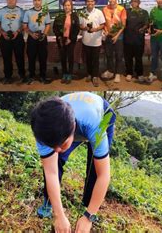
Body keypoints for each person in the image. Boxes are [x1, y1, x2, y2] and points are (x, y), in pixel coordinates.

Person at [31, 92, 116, 233]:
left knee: (95, 169)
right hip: (67, 121)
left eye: (62, 144)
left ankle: (88, 208)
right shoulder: (43, 130)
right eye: (53, 146)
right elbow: (51, 172)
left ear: (73, 128)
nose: (57, 150)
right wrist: (59, 215)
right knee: (56, 163)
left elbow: (104, 175)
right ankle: (48, 203)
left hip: (102, 113)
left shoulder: (97, 125)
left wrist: (89, 216)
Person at [0, 0, 26, 84]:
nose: (11, 1)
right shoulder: (1, 11)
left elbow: (24, 24)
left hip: (18, 37)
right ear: (6, 0)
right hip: (5, 37)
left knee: (20, 57)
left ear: (16, 0)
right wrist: (3, 33)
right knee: (6, 58)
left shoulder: (21, 11)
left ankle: (22, 75)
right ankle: (8, 76)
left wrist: (18, 31)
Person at [23, 0, 52, 85]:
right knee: (31, 58)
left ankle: (42, 76)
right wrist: (31, 34)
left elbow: (48, 25)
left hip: (42, 38)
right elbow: (24, 26)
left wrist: (44, 34)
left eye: (38, 0)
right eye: (35, 0)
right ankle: (31, 76)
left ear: (41, 1)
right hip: (32, 38)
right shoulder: (28, 12)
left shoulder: (45, 12)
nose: (37, 2)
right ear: (33, 1)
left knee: (43, 58)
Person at [80, 0, 105, 87]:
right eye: (88, 1)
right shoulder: (82, 13)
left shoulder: (99, 12)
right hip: (86, 41)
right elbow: (80, 25)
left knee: (95, 60)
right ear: (86, 3)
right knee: (88, 59)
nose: (90, 3)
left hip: (96, 41)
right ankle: (89, 74)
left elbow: (103, 24)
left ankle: (95, 76)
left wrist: (96, 29)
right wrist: (85, 28)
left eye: (92, 1)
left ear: (94, 2)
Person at [53, 0, 80, 84]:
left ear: (71, 6)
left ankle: (70, 74)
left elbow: (76, 29)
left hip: (70, 41)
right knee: (63, 57)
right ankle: (64, 74)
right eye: (65, 5)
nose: (67, 7)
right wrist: (59, 37)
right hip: (61, 40)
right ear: (63, 6)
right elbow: (55, 28)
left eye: (69, 5)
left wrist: (70, 39)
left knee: (70, 57)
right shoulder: (59, 16)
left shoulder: (75, 16)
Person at [101, 0, 126, 83]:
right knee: (108, 54)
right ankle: (110, 71)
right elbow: (103, 23)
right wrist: (105, 30)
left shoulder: (121, 9)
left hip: (118, 36)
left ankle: (118, 74)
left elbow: (123, 25)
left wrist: (117, 36)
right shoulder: (104, 9)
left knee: (118, 55)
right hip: (108, 36)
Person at [124, 0, 149, 83]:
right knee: (128, 57)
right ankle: (129, 73)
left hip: (139, 39)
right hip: (128, 38)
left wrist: (143, 29)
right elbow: (123, 23)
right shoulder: (126, 11)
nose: (133, 2)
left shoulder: (144, 12)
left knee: (138, 57)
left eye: (135, 1)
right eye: (132, 1)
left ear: (139, 2)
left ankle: (139, 74)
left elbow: (146, 24)